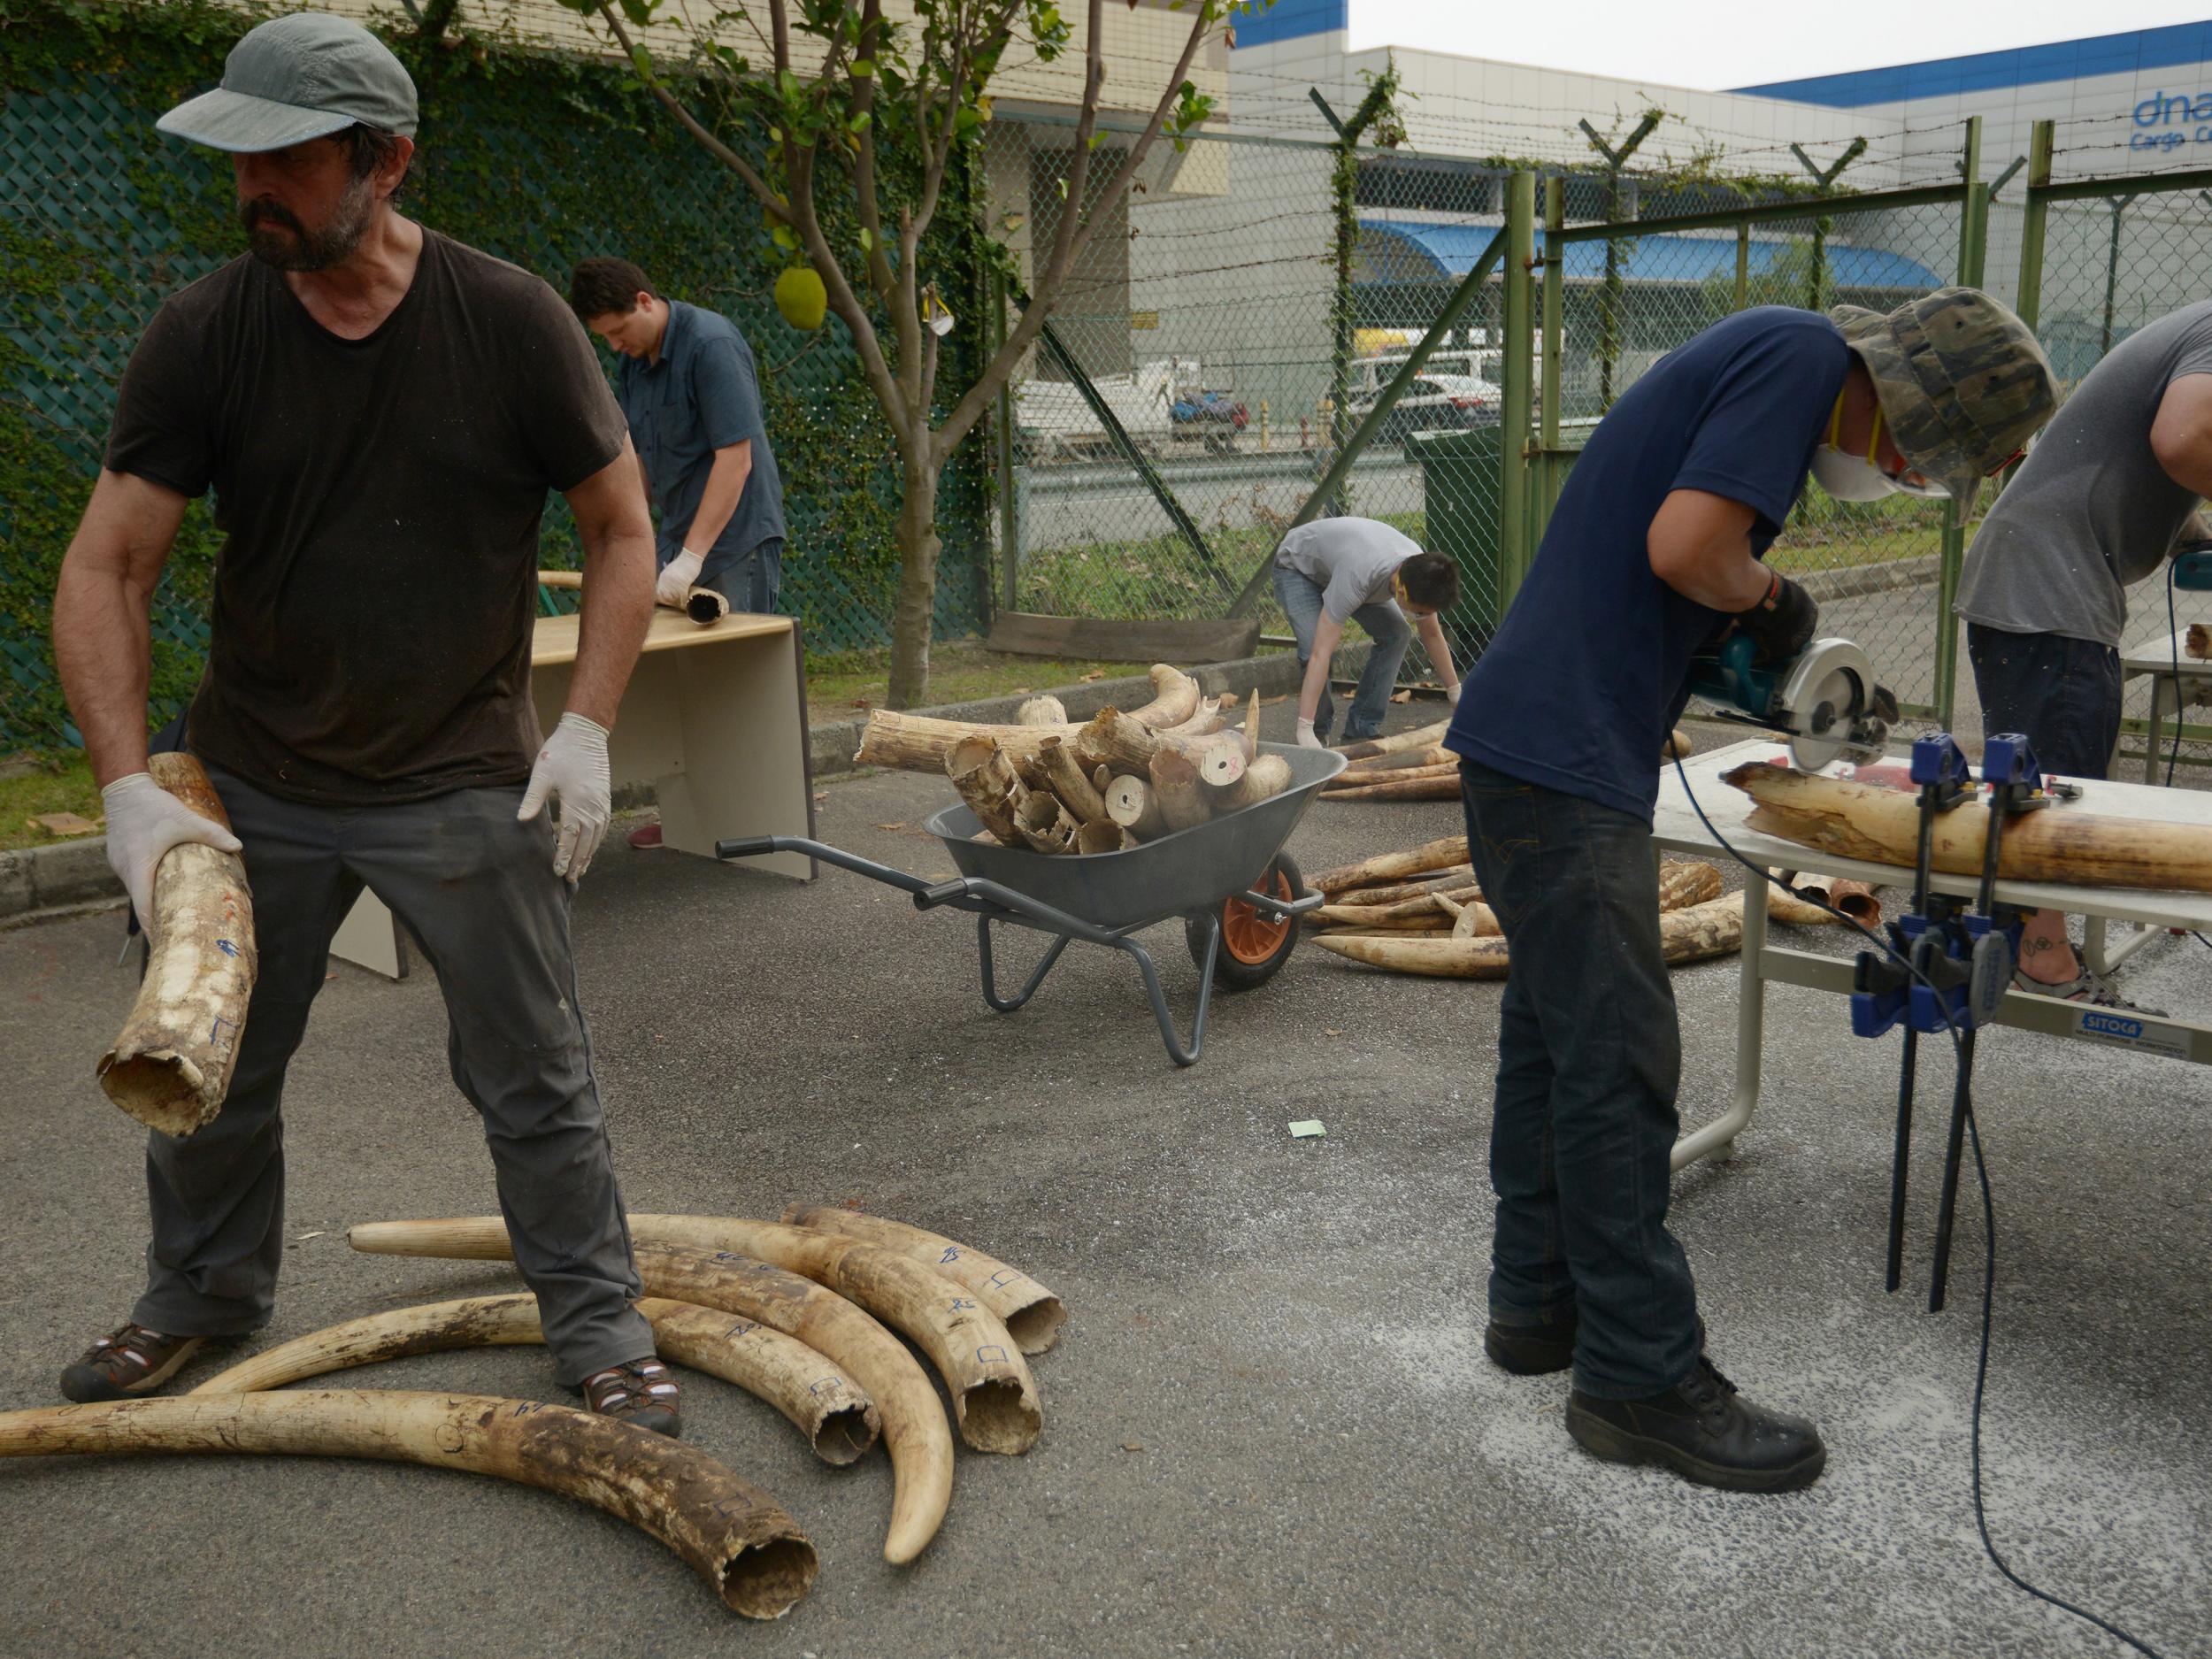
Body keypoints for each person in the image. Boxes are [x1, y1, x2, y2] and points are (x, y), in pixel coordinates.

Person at [49, 14, 684, 1436]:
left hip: (460, 769)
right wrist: (127, 788)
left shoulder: (510, 319)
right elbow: (107, 564)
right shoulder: (207, 333)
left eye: (283, 161)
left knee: (533, 1070)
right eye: (240, 164)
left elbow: (623, 526)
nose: (250, 190)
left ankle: (597, 1321)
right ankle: (200, 1293)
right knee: (209, 1061)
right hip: (257, 772)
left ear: (384, 161)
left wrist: (581, 728)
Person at [1441, 290, 2055, 1491]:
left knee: (1554, 1041)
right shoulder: (1800, 354)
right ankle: (1638, 1376)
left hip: (1530, 745)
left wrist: (1747, 610)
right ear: (1913, 397)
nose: (1896, 469)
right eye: (1915, 451)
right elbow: (1687, 549)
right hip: (1563, 759)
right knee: (1619, 1059)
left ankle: (1537, 1306)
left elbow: (1664, 562)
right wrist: (1771, 599)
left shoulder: (1768, 350)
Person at [1955, 299, 2212, 1007]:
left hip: (2040, 577)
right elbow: (2184, 441)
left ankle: (2017, 934)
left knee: (2053, 769)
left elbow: (2122, 452)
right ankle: (2043, 963)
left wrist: (2189, 529)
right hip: (2047, 586)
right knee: (2058, 786)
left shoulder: (2190, 329)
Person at [1271, 517, 1463, 747]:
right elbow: (1320, 654)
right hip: (1298, 568)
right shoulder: (1357, 579)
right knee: (1314, 645)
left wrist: (1454, 692)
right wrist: (1304, 727)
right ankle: (1316, 734)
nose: (1421, 617)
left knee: (1397, 634)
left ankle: (1361, 729)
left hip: (1344, 566)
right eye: (1419, 612)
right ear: (1402, 592)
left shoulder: (1419, 570)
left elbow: (1432, 634)